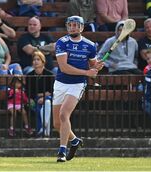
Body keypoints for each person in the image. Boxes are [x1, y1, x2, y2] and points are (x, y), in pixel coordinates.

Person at [53, 15, 104, 162]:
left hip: (77, 84)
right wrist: (87, 72)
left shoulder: (89, 45)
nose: (72, 27)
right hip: (61, 83)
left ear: (81, 27)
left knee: (64, 115)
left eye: (76, 25)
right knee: (57, 123)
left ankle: (62, 151)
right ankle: (75, 141)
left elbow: (93, 67)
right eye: (70, 25)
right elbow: (64, 67)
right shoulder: (61, 42)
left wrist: (96, 68)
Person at [26, 51, 54, 137]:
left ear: (43, 61)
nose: (35, 61)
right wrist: (31, 99)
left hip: (49, 98)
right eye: (34, 60)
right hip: (35, 99)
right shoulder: (29, 75)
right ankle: (44, 130)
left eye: (38, 59)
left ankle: (41, 130)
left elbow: (52, 91)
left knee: (47, 103)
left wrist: (44, 96)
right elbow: (29, 91)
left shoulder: (50, 74)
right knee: (38, 108)